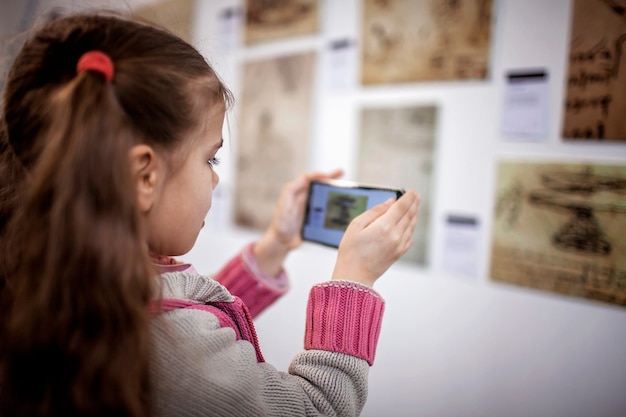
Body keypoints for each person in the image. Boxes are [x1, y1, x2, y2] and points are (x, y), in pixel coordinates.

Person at [0, 11, 420, 417]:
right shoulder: (163, 342)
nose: (215, 180)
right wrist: (354, 278)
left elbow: (186, 315)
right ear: (144, 176)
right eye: (210, 160)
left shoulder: (62, 271)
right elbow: (314, 408)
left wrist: (272, 248)